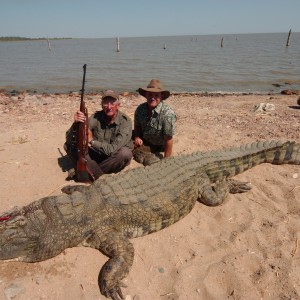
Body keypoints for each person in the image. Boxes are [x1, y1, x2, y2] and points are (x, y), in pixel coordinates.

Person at [65, 90, 133, 180]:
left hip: (112, 158)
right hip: (98, 153)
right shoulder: (96, 117)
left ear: (118, 105)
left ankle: (89, 172)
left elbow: (112, 150)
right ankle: (94, 172)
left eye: (112, 103)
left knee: (125, 153)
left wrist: (91, 141)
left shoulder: (125, 122)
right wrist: (76, 124)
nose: (109, 107)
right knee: (68, 146)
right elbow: (69, 138)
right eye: (105, 103)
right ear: (101, 105)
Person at [133, 79, 176, 164]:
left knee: (146, 160)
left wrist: (166, 160)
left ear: (161, 96)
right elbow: (137, 125)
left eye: (156, 95)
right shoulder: (140, 109)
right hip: (145, 139)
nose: (152, 98)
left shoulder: (168, 114)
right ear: (146, 95)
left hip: (159, 145)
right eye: (150, 94)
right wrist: (137, 137)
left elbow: (169, 139)